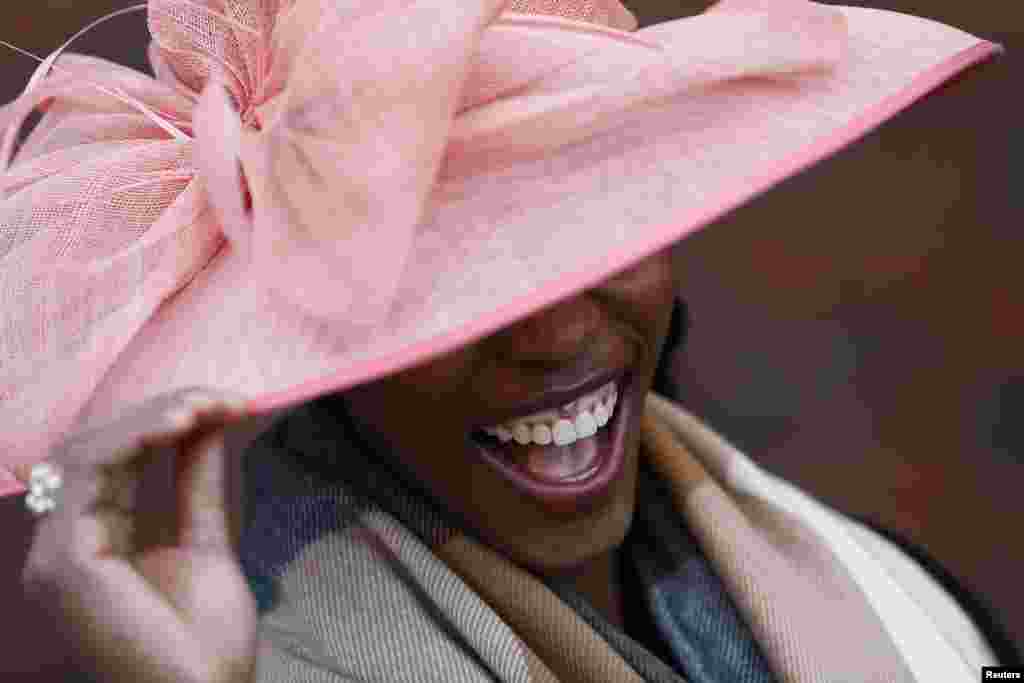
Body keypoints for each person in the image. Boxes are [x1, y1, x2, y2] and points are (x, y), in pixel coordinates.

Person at [2, 0, 1011, 680]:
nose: (560, 326)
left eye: (590, 223)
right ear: (311, 337)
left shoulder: (856, 568)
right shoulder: (264, 650)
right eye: (449, 280)